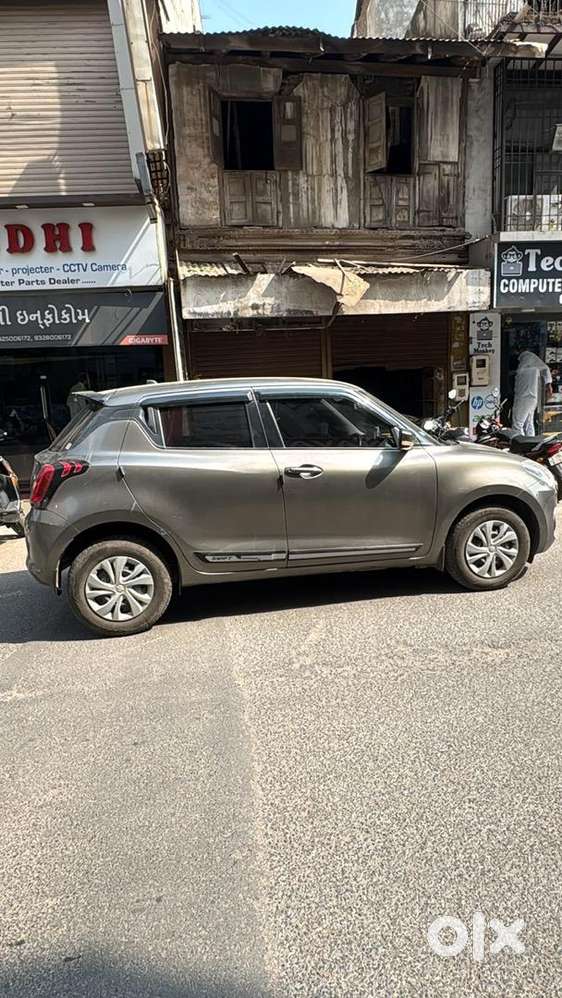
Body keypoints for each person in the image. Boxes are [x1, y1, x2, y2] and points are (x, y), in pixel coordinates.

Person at [512, 350, 552, 437]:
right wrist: (548, 385)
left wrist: (549, 386)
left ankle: (519, 446)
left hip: (524, 398)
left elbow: (545, 369)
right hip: (531, 398)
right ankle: (530, 443)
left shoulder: (527, 363)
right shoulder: (532, 368)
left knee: (518, 424)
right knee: (528, 424)